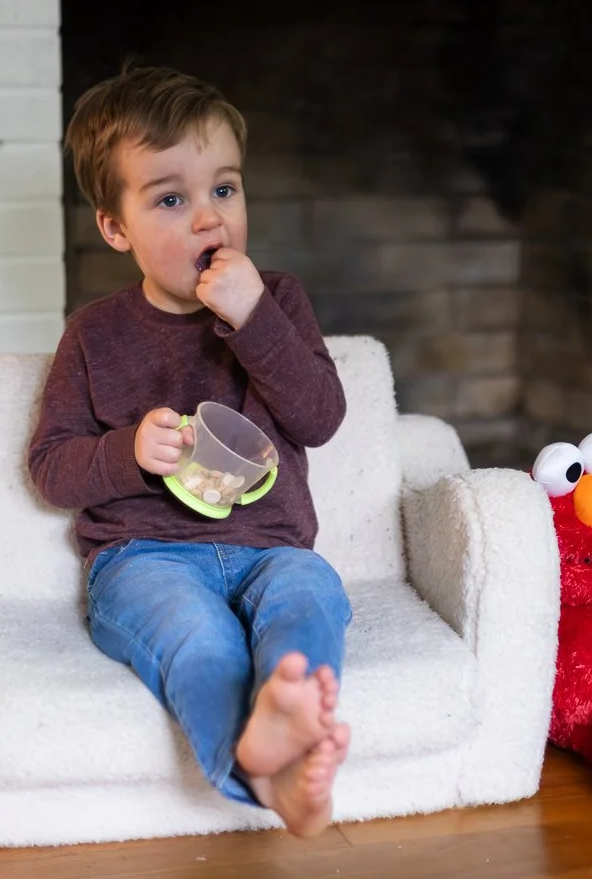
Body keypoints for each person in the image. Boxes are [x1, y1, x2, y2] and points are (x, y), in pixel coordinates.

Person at [27, 65, 351, 836]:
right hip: (144, 559)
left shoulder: (279, 301)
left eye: (225, 190)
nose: (209, 219)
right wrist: (129, 453)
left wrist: (256, 319)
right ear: (116, 227)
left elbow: (320, 416)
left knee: (311, 596)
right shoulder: (94, 335)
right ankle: (260, 775)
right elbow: (49, 467)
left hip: (272, 547)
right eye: (172, 199)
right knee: (197, 638)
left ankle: (285, 712)